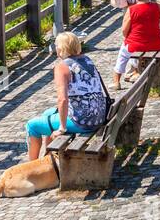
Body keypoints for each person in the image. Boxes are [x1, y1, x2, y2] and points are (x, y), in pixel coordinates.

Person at [24, 32, 109, 161]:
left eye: (56, 45)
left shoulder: (62, 66)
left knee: (32, 126)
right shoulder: (87, 60)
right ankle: (49, 158)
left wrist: (62, 128)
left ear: (61, 48)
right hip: (98, 116)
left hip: (82, 121)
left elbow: (62, 99)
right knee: (48, 113)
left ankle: (32, 165)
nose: (55, 47)